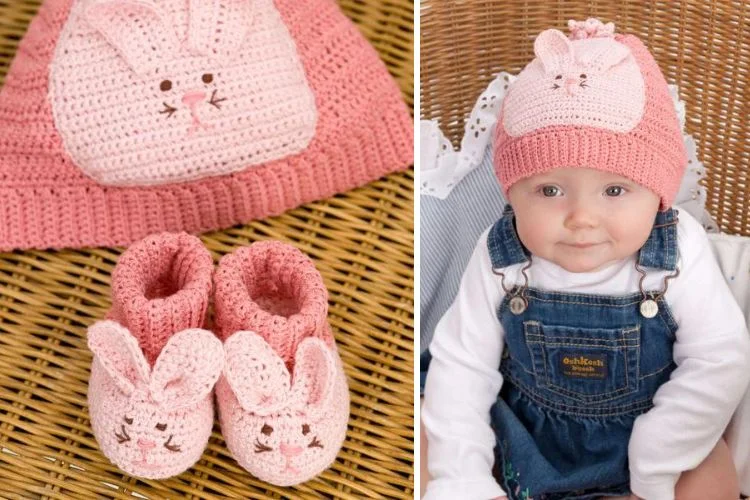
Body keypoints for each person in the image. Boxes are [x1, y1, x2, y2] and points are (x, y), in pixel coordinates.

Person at [422, 18, 750, 500]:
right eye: (549, 190)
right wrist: (464, 478)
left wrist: (657, 462)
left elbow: (718, 358)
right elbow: (463, 365)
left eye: (615, 190)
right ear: (511, 193)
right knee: (433, 425)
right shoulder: (500, 254)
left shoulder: (677, 250)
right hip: (524, 435)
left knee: (709, 470)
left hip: (656, 432)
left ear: (657, 192)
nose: (581, 217)